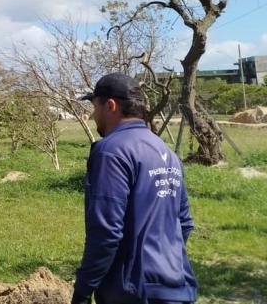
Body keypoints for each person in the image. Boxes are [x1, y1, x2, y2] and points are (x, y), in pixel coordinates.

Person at [72, 72, 198, 304]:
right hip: (176, 287)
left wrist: (82, 291)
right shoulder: (165, 151)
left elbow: (106, 231)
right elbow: (185, 223)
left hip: (133, 292)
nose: (92, 116)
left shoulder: (111, 152)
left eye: (95, 106)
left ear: (110, 105)